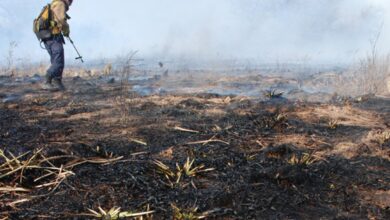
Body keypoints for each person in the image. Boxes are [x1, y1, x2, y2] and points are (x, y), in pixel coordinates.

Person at [41, 0, 73, 91]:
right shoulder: (60, 4)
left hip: (48, 36)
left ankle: (57, 82)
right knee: (58, 60)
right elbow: (61, 20)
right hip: (53, 36)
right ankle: (46, 81)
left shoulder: (55, 3)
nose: (71, 2)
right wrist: (66, 30)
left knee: (57, 60)